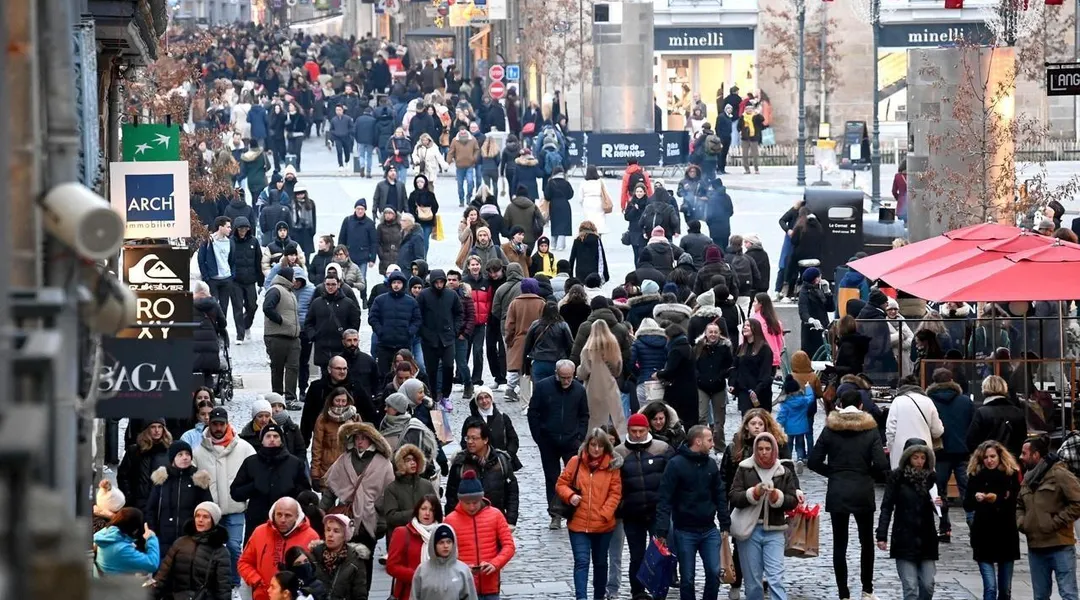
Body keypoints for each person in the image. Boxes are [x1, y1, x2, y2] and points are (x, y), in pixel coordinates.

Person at [808, 389, 890, 600]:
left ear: (840, 405)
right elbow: (882, 464)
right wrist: (867, 473)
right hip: (862, 489)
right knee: (866, 542)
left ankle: (843, 593)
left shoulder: (830, 429)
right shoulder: (870, 430)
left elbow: (813, 461)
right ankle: (867, 590)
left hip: (838, 489)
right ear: (861, 406)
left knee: (839, 544)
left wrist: (833, 473)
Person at [655, 425, 731, 600]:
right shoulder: (675, 464)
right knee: (687, 578)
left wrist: (724, 523)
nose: (713, 444)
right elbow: (665, 498)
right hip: (684, 530)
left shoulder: (710, 464)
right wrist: (662, 530)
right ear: (698, 441)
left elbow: (720, 494)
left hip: (709, 529)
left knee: (714, 572)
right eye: (709, 440)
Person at [320, 423, 396, 589]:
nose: (360, 442)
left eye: (364, 438)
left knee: (365, 563)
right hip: (344, 519)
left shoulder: (383, 464)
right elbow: (331, 489)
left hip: (368, 521)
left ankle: (363, 594)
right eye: (357, 438)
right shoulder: (344, 460)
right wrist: (321, 510)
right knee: (341, 562)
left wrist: (382, 522)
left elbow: (388, 496)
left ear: (372, 440)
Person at [729, 432, 800, 600]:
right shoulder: (745, 468)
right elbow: (734, 496)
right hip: (750, 530)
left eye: (768, 449)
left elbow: (792, 500)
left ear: (774, 450)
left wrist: (777, 497)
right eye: (760, 449)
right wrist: (753, 493)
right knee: (753, 581)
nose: (764, 452)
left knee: (776, 577)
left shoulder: (783, 471)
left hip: (775, 529)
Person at [556, 428, 624, 600]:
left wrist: (604, 513)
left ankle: (598, 596)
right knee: (581, 562)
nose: (596, 449)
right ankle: (581, 597)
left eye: (600, 446)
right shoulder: (576, 462)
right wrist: (570, 496)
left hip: (603, 525)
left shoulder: (612, 466)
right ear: (587, 445)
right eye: (593, 445)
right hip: (578, 524)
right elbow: (561, 484)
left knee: (600, 564)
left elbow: (615, 493)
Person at [613, 413, 673, 598]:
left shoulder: (662, 449)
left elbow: (672, 478)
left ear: (648, 430)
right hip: (632, 513)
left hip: (657, 512)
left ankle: (659, 590)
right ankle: (637, 592)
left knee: (661, 554)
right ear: (628, 431)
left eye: (641, 431)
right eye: (634, 431)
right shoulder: (619, 452)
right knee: (637, 556)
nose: (638, 435)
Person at [876, 438, 941, 600]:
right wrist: (882, 535)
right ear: (908, 458)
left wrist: (941, 504)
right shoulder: (897, 477)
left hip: (927, 539)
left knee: (928, 585)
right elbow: (887, 506)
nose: (919, 461)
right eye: (915, 457)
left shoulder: (931, 478)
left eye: (923, 458)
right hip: (904, 537)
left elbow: (941, 505)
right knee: (910, 587)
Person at [1017, 435, 1080, 600]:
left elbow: (1077, 502)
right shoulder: (1028, 478)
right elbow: (1019, 504)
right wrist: (1022, 522)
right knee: (1040, 596)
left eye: (1024, 453)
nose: (1021, 457)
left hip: (1060, 544)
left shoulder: (1059, 474)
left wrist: (1056, 522)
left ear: (1036, 455)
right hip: (1036, 546)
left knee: (1068, 594)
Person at [230, 422, 311, 544]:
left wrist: (291, 494)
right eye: (268, 436)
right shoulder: (251, 462)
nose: (272, 439)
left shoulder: (294, 463)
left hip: (286, 522)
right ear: (262, 440)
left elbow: (305, 493)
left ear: (281, 440)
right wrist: (254, 486)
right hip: (257, 521)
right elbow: (235, 493)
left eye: (276, 436)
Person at [443, 470, 517, 599]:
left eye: (475, 502)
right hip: (464, 587)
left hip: (491, 586)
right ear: (460, 500)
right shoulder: (450, 520)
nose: (472, 507)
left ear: (481, 498)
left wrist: (495, 564)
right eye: (467, 503)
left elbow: (509, 546)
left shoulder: (496, 515)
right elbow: (444, 553)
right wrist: (462, 568)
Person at [963, 440, 1021, 600]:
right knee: (990, 588)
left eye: (992, 456)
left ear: (1000, 456)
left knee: (1005, 590)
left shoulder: (1010, 475)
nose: (989, 460)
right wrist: (976, 497)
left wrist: (996, 499)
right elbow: (967, 504)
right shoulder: (976, 475)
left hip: (1006, 534)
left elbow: (1015, 502)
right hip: (983, 534)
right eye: (986, 457)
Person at [925, 368, 974, 542]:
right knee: (967, 491)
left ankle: (944, 527)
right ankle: (973, 526)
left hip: (940, 452)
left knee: (939, 491)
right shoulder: (965, 401)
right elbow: (973, 426)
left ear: (934, 382)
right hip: (963, 451)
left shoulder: (929, 402)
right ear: (952, 380)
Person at [238, 497, 321, 600]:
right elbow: (244, 562)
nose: (282, 520)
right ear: (273, 514)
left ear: (297, 516)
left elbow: (317, 572)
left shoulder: (311, 537)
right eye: (279, 514)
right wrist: (256, 581)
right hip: (262, 595)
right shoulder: (259, 532)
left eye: (288, 515)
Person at [145, 440, 213, 558]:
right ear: (173, 458)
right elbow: (151, 509)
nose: (185, 457)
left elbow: (208, 508)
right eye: (180, 454)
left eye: (187, 454)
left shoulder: (198, 479)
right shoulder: (162, 479)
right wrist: (153, 532)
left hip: (191, 539)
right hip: (163, 539)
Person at [152, 501, 231, 600]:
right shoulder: (180, 543)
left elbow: (223, 588)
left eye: (205, 517)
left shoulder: (220, 551)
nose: (200, 520)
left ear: (213, 521)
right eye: (198, 516)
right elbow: (162, 576)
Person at [418, 269, 464, 406]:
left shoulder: (451, 295)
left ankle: (446, 395)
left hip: (447, 338)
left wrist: (455, 330)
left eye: (441, 282)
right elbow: (417, 315)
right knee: (431, 370)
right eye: (436, 282)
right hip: (429, 339)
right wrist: (423, 332)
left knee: (449, 366)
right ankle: (433, 396)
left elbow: (459, 313)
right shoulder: (423, 295)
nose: (439, 285)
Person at [387, 494, 444, 600]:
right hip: (409, 593)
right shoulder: (402, 533)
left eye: (432, 510)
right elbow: (391, 566)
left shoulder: (442, 534)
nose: (427, 513)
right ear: (417, 510)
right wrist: (418, 576)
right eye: (423, 509)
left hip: (437, 593)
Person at [369, 270, 423, 375]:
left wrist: (409, 332)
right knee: (383, 374)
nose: (396, 285)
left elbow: (417, 320)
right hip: (385, 344)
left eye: (399, 282)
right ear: (390, 284)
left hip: (404, 344)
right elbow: (373, 318)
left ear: (403, 284)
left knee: (404, 373)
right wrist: (380, 331)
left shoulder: (411, 302)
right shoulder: (380, 300)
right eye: (394, 282)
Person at [578, 318, 626, 435]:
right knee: (615, 420)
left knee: (595, 422)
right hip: (611, 387)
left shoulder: (588, 349)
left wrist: (578, 371)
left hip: (593, 388)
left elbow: (583, 372)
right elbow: (617, 371)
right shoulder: (614, 348)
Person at [263, 265, 302, 403]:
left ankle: (290, 398)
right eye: (293, 277)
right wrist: (281, 320)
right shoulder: (275, 290)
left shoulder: (290, 292)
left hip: (293, 337)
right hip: (277, 336)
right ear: (287, 278)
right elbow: (267, 308)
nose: (295, 279)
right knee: (277, 369)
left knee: (293, 368)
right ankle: (277, 399)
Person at [307, 513, 369, 599]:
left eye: (336, 531)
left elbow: (360, 594)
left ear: (345, 536)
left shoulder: (355, 560)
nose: (330, 534)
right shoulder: (313, 556)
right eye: (328, 530)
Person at [117, 419, 172, 512]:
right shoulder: (134, 451)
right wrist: (129, 497)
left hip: (161, 504)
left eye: (160, 427)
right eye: (153, 427)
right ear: (147, 429)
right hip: (138, 504)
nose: (157, 430)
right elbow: (123, 476)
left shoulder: (169, 452)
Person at [885, 382, 944, 469]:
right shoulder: (928, 401)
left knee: (902, 474)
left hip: (901, 451)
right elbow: (937, 431)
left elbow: (890, 431)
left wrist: (892, 449)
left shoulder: (897, 401)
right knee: (924, 474)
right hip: (923, 450)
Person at [966, 375, 1027, 458]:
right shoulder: (1017, 412)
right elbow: (1022, 439)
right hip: (1013, 460)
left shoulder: (982, 412)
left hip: (988, 461)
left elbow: (971, 441)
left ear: (984, 389)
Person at [93, 508, 160, 575]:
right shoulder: (121, 549)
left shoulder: (105, 534)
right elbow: (152, 564)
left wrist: (128, 542)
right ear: (135, 529)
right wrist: (151, 538)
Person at [732, 319, 775, 414]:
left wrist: (757, 389)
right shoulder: (741, 348)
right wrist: (733, 383)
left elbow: (766, 372)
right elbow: (735, 367)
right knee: (746, 418)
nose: (745, 327)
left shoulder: (764, 349)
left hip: (760, 392)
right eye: (744, 325)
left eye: (748, 325)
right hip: (744, 391)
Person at [776, 375, 815, 469]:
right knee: (800, 445)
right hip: (801, 428)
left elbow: (782, 415)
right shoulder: (803, 400)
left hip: (789, 428)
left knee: (789, 445)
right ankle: (800, 459)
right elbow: (811, 397)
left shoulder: (785, 403)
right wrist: (808, 387)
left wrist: (779, 424)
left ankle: (788, 460)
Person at [798, 267, 834, 355]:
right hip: (811, 331)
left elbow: (831, 308)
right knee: (813, 354)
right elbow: (803, 311)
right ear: (816, 278)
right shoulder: (804, 292)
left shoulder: (820, 289)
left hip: (823, 326)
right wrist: (811, 320)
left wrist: (827, 292)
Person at [545, 167, 576, 250]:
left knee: (554, 224)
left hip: (554, 205)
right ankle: (560, 245)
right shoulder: (566, 183)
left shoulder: (550, 182)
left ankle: (553, 244)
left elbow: (547, 196)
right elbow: (570, 194)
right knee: (563, 225)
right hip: (564, 204)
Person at [737, 104, 764, 175]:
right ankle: (747, 170)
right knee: (745, 155)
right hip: (745, 138)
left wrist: (758, 114)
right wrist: (740, 131)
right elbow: (738, 126)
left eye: (751, 108)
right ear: (745, 110)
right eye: (748, 108)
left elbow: (762, 119)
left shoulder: (756, 116)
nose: (749, 110)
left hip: (754, 137)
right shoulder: (742, 117)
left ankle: (756, 169)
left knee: (755, 155)